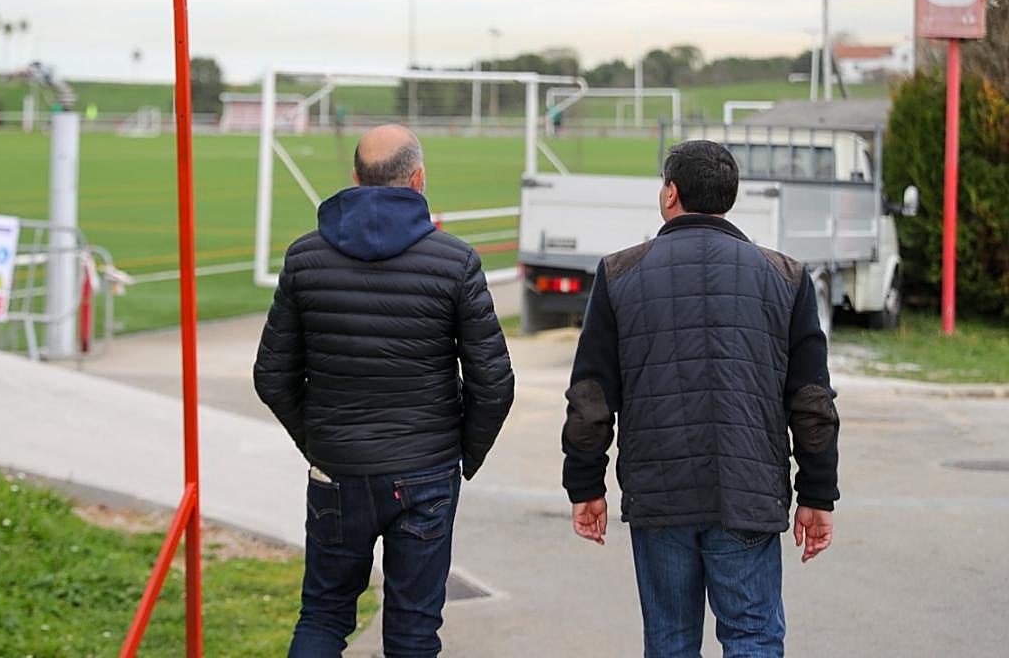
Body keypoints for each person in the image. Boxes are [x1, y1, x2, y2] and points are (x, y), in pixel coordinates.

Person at [561, 139, 839, 657]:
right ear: (728, 198)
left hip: (658, 494)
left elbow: (591, 397)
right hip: (749, 493)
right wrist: (817, 494)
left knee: (670, 642)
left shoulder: (620, 274)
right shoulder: (786, 277)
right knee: (754, 638)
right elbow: (812, 402)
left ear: (670, 193)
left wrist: (585, 483)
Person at [254, 123, 515, 658]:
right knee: (413, 632)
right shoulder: (455, 261)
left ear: (355, 179)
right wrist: (461, 453)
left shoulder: (306, 258)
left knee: (323, 617)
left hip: (338, 472)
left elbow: (272, 375)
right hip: (424, 470)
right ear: (418, 180)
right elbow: (493, 382)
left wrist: (320, 440)